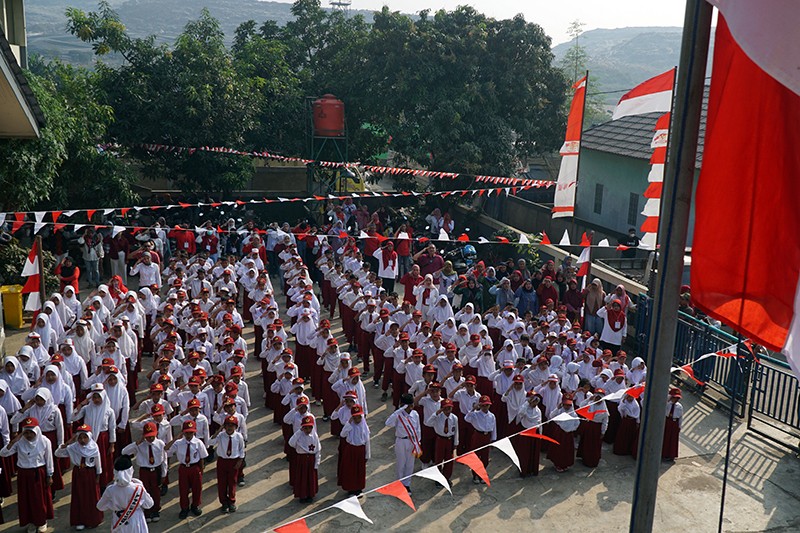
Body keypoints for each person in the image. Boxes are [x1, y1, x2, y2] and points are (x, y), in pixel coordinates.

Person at [0, 417, 54, 532]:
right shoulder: (19, 442)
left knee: (39, 499)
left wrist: (49, 475)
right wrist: (13, 441)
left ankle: (41, 521)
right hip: (24, 474)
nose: (29, 435)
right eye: (26, 432)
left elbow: (49, 459)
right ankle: (31, 522)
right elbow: (3, 453)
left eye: (31, 432)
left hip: (38, 473)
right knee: (26, 499)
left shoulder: (44, 441)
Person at [55, 423, 105, 530]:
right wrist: (65, 444)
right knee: (79, 496)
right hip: (78, 473)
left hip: (90, 473)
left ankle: (92, 520)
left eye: (85, 437)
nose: (82, 440)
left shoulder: (94, 447)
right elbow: (58, 454)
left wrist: (98, 475)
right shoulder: (73, 447)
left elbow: (98, 462)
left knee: (91, 497)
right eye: (80, 437)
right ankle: (80, 520)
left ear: (89, 437)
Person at [121, 421, 167, 523]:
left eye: (152, 436)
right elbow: (124, 452)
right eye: (147, 436)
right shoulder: (139, 445)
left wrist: (164, 473)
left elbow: (164, 460)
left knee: (156, 491)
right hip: (145, 471)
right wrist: (136, 443)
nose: (150, 439)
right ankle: (147, 511)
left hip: (156, 470)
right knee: (145, 491)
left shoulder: (160, 444)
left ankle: (155, 510)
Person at [97, 455, 155, 533]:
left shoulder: (110, 490)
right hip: (136, 519)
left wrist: (114, 505)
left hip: (118, 520)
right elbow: (149, 504)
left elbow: (100, 507)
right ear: (130, 471)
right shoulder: (138, 488)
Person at [166, 420, 208, 519]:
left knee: (197, 488)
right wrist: (175, 438)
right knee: (183, 489)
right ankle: (184, 508)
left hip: (195, 467)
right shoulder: (178, 443)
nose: (188, 435)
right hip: (184, 468)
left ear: (194, 432)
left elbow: (202, 457)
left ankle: (195, 505)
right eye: (186, 432)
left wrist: (201, 470)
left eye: (191, 432)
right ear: (183, 432)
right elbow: (166, 450)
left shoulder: (198, 443)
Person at [385, 393, 421, 495]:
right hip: (401, 441)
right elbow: (388, 423)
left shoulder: (415, 414)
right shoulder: (398, 415)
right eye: (408, 405)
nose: (410, 407)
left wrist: (418, 442)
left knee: (410, 464)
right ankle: (399, 484)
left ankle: (407, 484)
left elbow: (418, 429)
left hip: (412, 441)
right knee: (401, 464)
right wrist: (400, 410)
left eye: (411, 405)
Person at [210, 415, 245, 513]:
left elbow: (241, 449)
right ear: (224, 427)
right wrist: (219, 430)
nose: (230, 428)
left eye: (232, 425)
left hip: (233, 462)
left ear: (236, 427)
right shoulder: (221, 436)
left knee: (232, 482)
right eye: (227, 425)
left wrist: (240, 461)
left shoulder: (238, 436)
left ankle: (232, 501)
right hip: (222, 461)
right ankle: (224, 503)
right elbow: (211, 442)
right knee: (222, 483)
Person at [288, 415, 320, 503]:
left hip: (311, 460)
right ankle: (302, 495)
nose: (307, 430)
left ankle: (310, 494)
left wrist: (316, 463)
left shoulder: (315, 437)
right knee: (302, 478)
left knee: (310, 478)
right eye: (305, 428)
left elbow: (318, 450)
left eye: (310, 428)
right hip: (302, 460)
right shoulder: (299, 436)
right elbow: (291, 443)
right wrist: (299, 432)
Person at [464, 395, 496, 484]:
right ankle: (475, 475)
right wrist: (473, 409)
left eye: (487, 405)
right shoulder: (475, 414)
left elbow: (494, 428)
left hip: (487, 437)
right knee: (476, 456)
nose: (485, 407)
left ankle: (482, 474)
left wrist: (493, 439)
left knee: (485, 457)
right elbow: (466, 418)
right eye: (483, 405)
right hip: (478, 435)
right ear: (480, 406)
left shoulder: (492, 416)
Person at [339, 404, 370, 495]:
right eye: (355, 417)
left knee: (359, 470)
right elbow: (342, 434)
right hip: (351, 450)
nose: (357, 420)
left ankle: (359, 488)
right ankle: (350, 489)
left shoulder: (364, 426)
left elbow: (367, 441)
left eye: (359, 417)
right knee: (350, 470)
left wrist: (367, 454)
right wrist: (349, 423)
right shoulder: (349, 425)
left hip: (360, 450)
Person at [427, 398, 458, 480]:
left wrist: (455, 443)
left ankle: (447, 477)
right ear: (442, 408)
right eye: (445, 408)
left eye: (449, 408)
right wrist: (436, 413)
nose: (448, 410)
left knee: (449, 460)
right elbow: (428, 423)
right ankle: (438, 478)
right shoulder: (438, 417)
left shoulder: (454, 418)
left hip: (449, 440)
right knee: (438, 459)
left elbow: (456, 431)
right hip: (440, 439)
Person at [662, 388, 683, 461]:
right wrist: (668, 400)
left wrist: (679, 426)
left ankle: (671, 455)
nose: (676, 400)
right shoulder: (667, 404)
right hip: (667, 421)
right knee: (666, 438)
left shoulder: (679, 406)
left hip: (674, 423)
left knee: (673, 439)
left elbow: (680, 417)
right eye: (674, 398)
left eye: (677, 398)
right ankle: (664, 454)